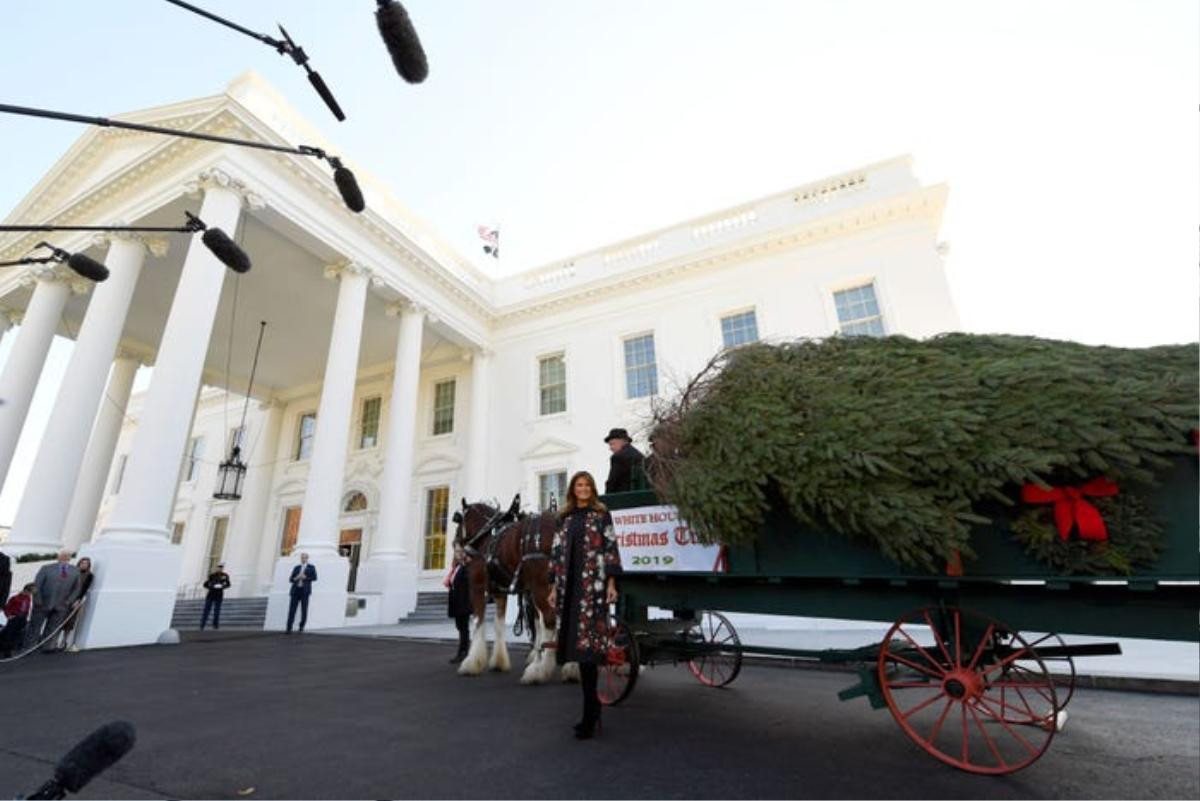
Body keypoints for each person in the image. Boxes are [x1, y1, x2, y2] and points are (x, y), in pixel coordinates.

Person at [550, 470, 622, 740]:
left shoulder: (601, 516)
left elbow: (611, 549)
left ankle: (591, 714)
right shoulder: (564, 519)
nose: (583, 489)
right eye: (579, 485)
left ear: (592, 489)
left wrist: (612, 584)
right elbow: (556, 554)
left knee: (589, 652)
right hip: (569, 591)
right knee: (577, 653)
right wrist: (552, 588)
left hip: (592, 590)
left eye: (587, 485)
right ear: (573, 489)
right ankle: (591, 711)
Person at [27, 550, 81, 652]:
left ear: (70, 558)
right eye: (63, 556)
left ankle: (47, 647)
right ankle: (29, 647)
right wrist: (37, 600)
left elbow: (76, 589)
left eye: (67, 556)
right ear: (58, 557)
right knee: (35, 626)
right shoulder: (46, 568)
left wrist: (69, 601)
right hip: (43, 603)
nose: (65, 558)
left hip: (61, 605)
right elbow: (37, 585)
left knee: (53, 627)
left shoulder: (75, 571)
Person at [58, 556, 94, 653]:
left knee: (70, 621)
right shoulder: (72, 572)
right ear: (79, 563)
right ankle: (54, 642)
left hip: (75, 600)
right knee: (59, 619)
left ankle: (64, 641)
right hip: (64, 599)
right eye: (83, 563)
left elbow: (84, 588)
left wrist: (78, 600)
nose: (84, 565)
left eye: (86, 563)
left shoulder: (89, 575)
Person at [444, 544, 471, 663]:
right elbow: (451, 583)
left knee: (463, 628)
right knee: (460, 627)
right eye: (456, 552)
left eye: (461, 552)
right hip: (456, 601)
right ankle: (462, 651)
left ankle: (463, 653)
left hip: (463, 602)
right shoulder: (456, 567)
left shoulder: (466, 567)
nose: (459, 554)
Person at [603, 428, 646, 494]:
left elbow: (612, 482)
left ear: (623, 441)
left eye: (612, 444)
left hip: (623, 497)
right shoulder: (640, 456)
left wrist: (607, 498)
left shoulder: (617, 457)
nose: (610, 448)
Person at [0, 583, 35, 658]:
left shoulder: (28, 598)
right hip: (14, 617)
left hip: (22, 618)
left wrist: (26, 617)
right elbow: (7, 607)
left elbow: (27, 608)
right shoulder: (15, 598)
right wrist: (8, 615)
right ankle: (6, 652)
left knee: (17, 634)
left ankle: (13, 648)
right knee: (9, 635)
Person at [286, 553, 317, 634]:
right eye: (302, 558)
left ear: (307, 558)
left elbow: (315, 578)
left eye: (305, 558)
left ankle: (301, 627)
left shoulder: (311, 567)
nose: (303, 559)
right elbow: (291, 579)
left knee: (304, 610)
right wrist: (296, 577)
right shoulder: (296, 568)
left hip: (305, 592)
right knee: (292, 610)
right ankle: (289, 628)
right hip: (295, 591)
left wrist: (305, 577)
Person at [200, 562, 231, 631]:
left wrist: (222, 586)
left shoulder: (225, 575)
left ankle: (215, 625)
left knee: (217, 611)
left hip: (219, 595)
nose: (219, 569)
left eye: (221, 567)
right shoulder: (212, 575)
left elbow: (228, 584)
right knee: (206, 610)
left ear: (222, 568)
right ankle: (202, 625)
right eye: (218, 567)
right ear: (216, 568)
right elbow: (205, 584)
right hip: (211, 595)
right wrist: (212, 586)